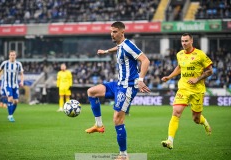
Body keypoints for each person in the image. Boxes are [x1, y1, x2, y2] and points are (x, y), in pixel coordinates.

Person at [85, 21, 151, 159]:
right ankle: (98, 125)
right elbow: (119, 48)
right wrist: (106, 51)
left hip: (127, 87)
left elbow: (145, 60)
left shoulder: (129, 45)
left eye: (115, 32)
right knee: (91, 92)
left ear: (122, 32)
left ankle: (123, 155)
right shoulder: (121, 45)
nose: (112, 34)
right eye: (111, 31)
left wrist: (140, 80)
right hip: (118, 84)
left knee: (117, 119)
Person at [161, 33, 213, 149]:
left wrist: (197, 79)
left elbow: (210, 71)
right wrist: (169, 77)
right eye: (182, 41)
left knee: (196, 119)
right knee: (176, 111)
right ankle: (170, 140)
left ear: (191, 41)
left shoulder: (200, 55)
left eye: (186, 41)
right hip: (183, 88)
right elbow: (179, 68)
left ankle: (204, 122)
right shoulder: (179, 54)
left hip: (197, 90)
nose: (184, 43)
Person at [0, 50, 24, 122]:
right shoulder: (5, 63)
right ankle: (10, 116)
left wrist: (22, 81)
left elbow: (22, 73)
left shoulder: (18, 64)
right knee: (10, 99)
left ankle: (10, 115)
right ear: (9, 56)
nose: (12, 56)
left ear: (15, 56)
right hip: (7, 84)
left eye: (14, 55)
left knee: (16, 101)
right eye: (11, 55)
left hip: (15, 84)